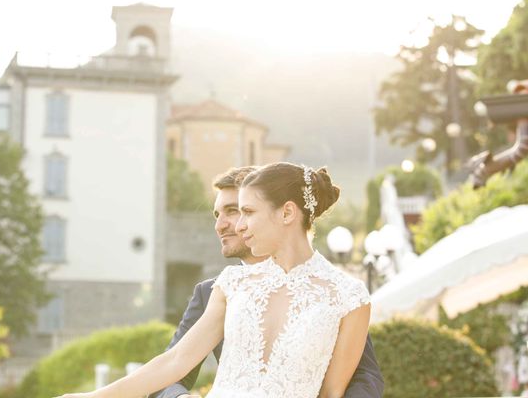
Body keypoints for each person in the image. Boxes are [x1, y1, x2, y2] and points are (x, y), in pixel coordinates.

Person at [57, 162, 379, 398]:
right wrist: (91, 397)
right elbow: (175, 361)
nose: (238, 226)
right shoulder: (233, 284)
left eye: (248, 213)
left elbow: (333, 392)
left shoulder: (348, 297)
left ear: (287, 213)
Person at [149, 165, 383, 398]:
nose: (221, 225)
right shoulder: (214, 290)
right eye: (217, 215)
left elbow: (364, 377)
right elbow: (169, 371)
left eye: (237, 210)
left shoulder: (334, 294)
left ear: (282, 211)